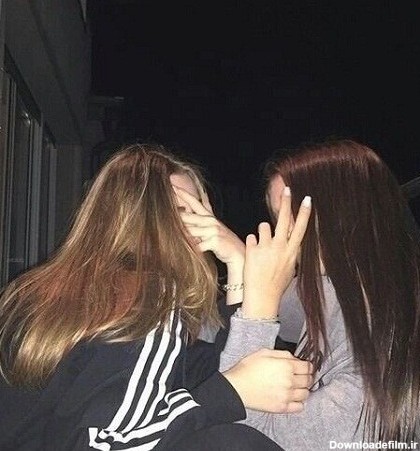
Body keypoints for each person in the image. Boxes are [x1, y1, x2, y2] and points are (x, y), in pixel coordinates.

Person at [0, 143, 313, 451]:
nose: (207, 227)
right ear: (145, 216)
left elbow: (206, 370)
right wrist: (231, 392)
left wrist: (239, 268)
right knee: (235, 442)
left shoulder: (37, 290)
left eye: (202, 211)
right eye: (184, 211)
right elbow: (104, 444)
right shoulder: (147, 300)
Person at [217, 139, 420, 450]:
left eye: (292, 217)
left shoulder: (384, 357)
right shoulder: (335, 290)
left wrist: (258, 309)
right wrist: (239, 264)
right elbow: (216, 325)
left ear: (342, 213)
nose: (282, 234)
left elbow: (241, 438)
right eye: (279, 219)